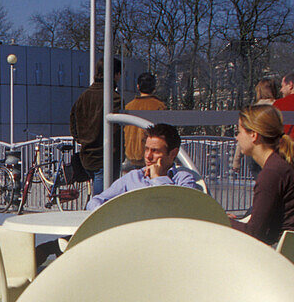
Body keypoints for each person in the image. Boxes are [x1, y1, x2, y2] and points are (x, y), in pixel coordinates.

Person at [228, 104, 294, 245]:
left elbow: (254, 234)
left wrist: (219, 220)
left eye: (238, 132)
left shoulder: (271, 174)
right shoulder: (282, 164)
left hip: (278, 257)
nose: (237, 138)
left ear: (253, 135)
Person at [86, 124, 201, 209]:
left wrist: (158, 177)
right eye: (146, 149)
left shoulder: (183, 179)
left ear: (173, 153)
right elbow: (96, 201)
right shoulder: (133, 177)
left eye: (155, 151)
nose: (148, 156)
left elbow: (179, 209)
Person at [70, 58, 122, 195]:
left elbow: (73, 123)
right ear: (116, 74)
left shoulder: (83, 97)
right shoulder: (113, 98)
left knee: (99, 197)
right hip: (105, 156)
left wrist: (82, 140)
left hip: (87, 155)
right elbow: (117, 129)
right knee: (101, 202)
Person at [233, 79, 279, 174]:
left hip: (255, 153)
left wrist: (236, 161)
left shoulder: (252, 111)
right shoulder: (278, 108)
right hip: (274, 153)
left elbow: (244, 135)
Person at [122, 72, 165, 173]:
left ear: (138, 86)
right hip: (150, 156)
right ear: (154, 87)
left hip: (130, 155)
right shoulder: (159, 106)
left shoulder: (129, 107)